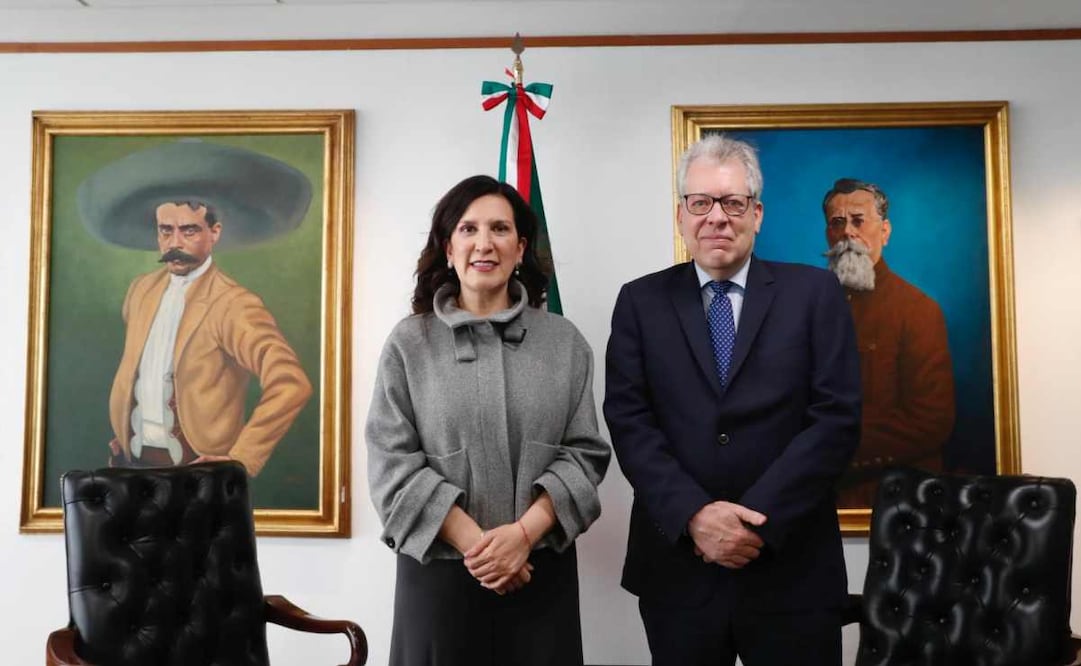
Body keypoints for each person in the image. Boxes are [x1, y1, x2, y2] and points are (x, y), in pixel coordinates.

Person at [604, 134, 861, 666]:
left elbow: (835, 419)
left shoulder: (815, 294)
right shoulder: (640, 302)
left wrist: (752, 523)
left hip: (793, 570)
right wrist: (695, 516)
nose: (716, 217)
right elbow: (629, 422)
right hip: (680, 571)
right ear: (681, 215)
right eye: (701, 202)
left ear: (757, 214)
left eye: (733, 202)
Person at [366, 175, 610, 666]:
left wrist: (522, 538)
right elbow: (392, 465)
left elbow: (585, 455)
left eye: (500, 229)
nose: (484, 243)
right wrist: (483, 549)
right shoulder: (409, 344)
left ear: (520, 248)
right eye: (468, 229)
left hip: (540, 577)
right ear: (448, 247)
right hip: (439, 581)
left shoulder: (564, 343)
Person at [77, 139, 314, 477]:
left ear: (214, 232)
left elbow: (291, 383)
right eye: (166, 231)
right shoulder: (141, 290)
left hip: (199, 476)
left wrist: (241, 458)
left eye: (188, 231)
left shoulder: (233, 304)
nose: (174, 243)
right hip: (132, 466)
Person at [822, 178, 955, 506]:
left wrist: (834, 449)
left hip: (893, 499)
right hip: (814, 495)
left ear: (885, 231)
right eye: (837, 223)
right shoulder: (811, 306)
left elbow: (930, 421)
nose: (848, 232)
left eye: (858, 220)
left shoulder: (918, 310)